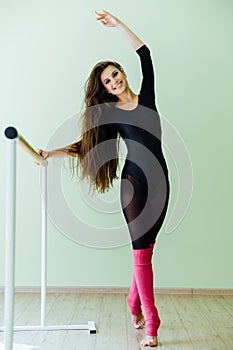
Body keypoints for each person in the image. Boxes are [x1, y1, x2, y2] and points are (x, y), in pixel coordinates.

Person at [37, 10, 170, 347]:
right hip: (135, 186)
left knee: (148, 249)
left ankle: (132, 302)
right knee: (140, 252)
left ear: (122, 73)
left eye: (115, 75)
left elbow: (145, 53)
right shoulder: (109, 115)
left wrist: (119, 24)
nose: (114, 82)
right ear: (106, 91)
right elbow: (88, 146)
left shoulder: (148, 96)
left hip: (163, 182)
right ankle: (152, 322)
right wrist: (50, 154)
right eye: (108, 83)